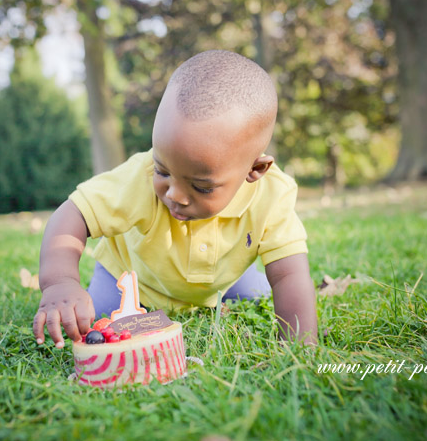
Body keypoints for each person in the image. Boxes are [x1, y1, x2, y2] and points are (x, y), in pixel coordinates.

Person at [32, 50, 317, 348]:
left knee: (257, 295)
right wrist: (59, 282)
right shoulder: (137, 178)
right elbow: (72, 214)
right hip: (131, 281)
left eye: (201, 186)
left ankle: (226, 293)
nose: (175, 194)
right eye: (163, 170)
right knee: (102, 323)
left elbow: (289, 274)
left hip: (222, 281)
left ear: (254, 170)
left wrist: (301, 348)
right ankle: (149, 309)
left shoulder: (272, 196)